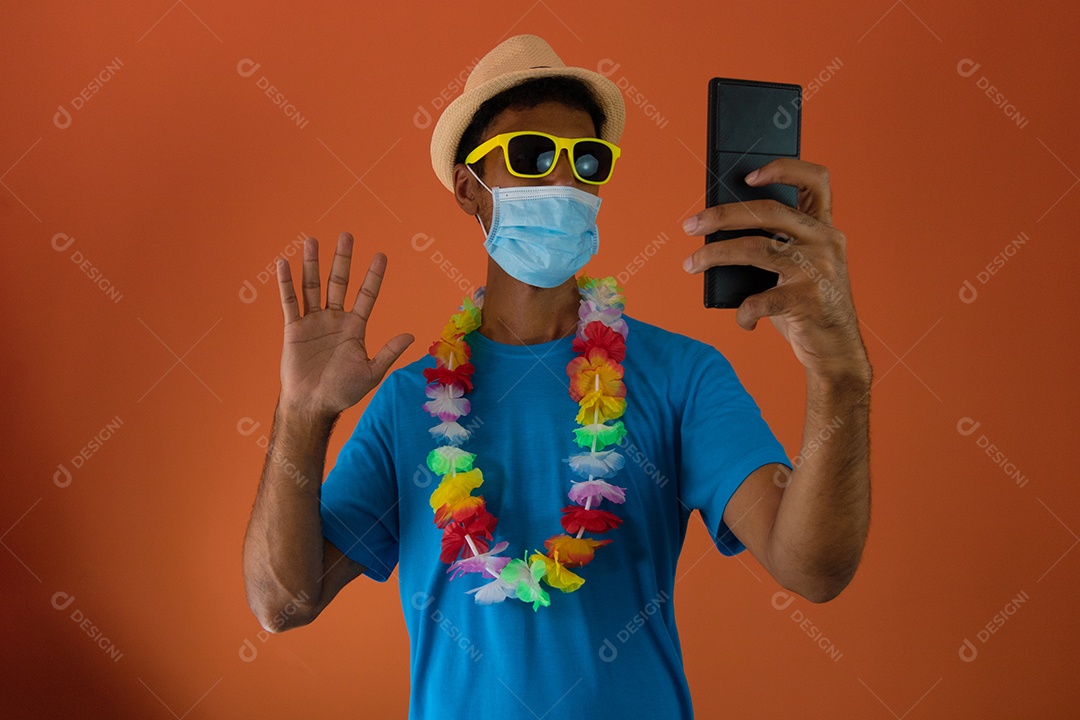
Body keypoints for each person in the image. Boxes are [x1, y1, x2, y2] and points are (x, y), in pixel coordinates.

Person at [242, 34, 871, 719]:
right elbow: (282, 602)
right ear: (469, 189)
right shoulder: (407, 404)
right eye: (532, 154)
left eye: (586, 160)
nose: (563, 179)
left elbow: (812, 569)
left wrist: (840, 377)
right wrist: (303, 415)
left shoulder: (683, 376)